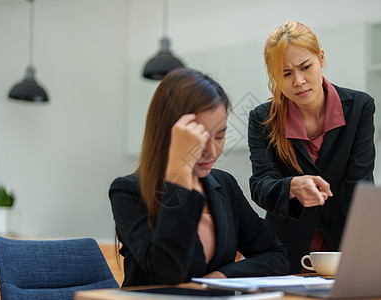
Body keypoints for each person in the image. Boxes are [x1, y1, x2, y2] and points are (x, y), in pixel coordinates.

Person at [109, 68, 289, 286]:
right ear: (170, 133)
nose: (212, 151)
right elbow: (168, 272)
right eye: (200, 138)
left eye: (220, 135)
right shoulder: (128, 192)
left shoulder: (224, 185)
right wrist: (179, 171)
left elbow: (276, 255)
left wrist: (224, 276)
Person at [248, 21, 375, 274]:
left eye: (306, 67)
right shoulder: (262, 118)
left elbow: (360, 186)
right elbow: (260, 185)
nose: (298, 81)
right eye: (285, 74)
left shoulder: (360, 107)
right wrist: (291, 187)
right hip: (284, 253)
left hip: (343, 249)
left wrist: (360, 253)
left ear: (321, 58)